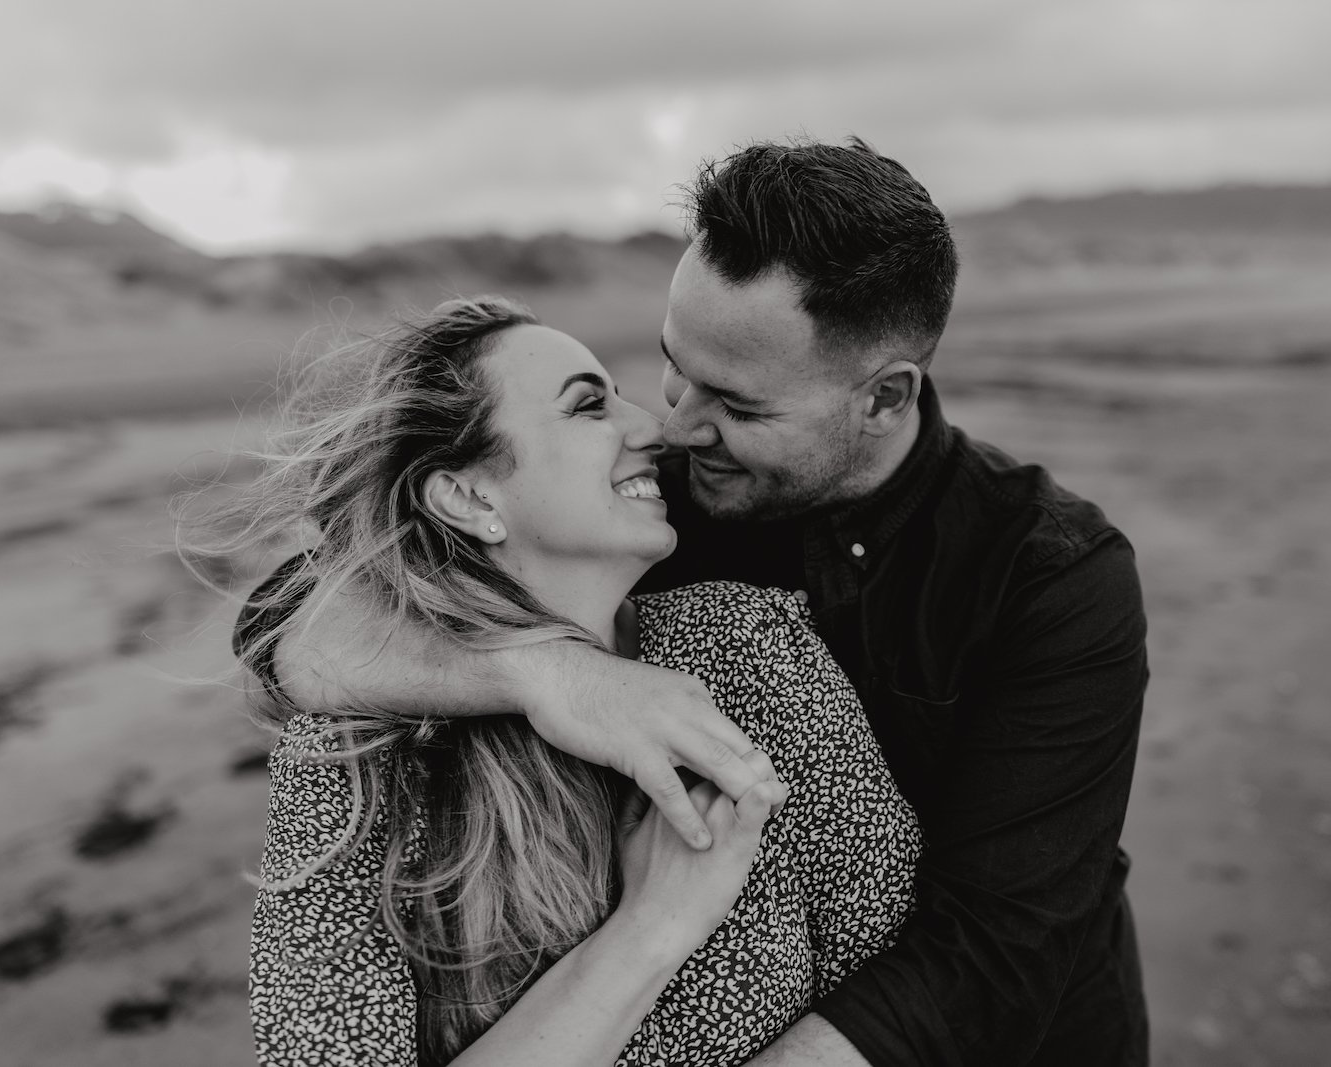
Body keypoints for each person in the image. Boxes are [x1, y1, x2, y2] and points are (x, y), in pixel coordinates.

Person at [255, 137, 1150, 1066]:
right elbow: (285, 615)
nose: (674, 425)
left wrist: (656, 928)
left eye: (736, 403)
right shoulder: (640, 508)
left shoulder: (1052, 573)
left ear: (884, 399)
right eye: (673, 365)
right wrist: (544, 672)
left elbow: (988, 957)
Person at [212, 297, 922, 1066]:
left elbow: (888, 983)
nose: (656, 427)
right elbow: (282, 612)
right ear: (470, 496)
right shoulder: (352, 767)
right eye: (589, 406)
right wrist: (653, 925)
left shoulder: (749, 644)